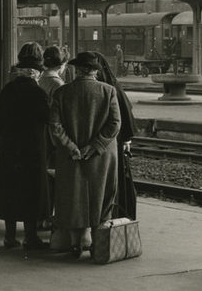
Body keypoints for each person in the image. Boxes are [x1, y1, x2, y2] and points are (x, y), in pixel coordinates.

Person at [50, 52, 121, 258]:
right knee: (101, 196)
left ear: (76, 69)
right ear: (95, 71)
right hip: (101, 157)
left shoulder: (62, 93)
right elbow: (115, 123)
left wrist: (71, 147)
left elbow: (55, 125)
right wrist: (96, 145)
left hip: (70, 156)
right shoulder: (108, 91)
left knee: (72, 196)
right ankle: (99, 244)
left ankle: (76, 243)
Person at [0, 46, 51, 250]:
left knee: (10, 193)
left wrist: (2, 146)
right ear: (35, 73)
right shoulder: (38, 93)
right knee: (31, 194)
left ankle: (9, 237)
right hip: (32, 152)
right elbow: (46, 119)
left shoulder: (7, 90)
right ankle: (30, 237)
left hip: (9, 150)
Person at [93, 51, 137, 220]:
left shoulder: (110, 90)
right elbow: (125, 118)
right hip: (113, 143)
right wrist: (126, 139)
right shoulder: (115, 88)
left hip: (109, 144)